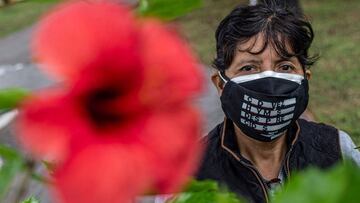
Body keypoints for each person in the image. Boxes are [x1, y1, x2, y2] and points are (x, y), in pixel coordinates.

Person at [196, 1, 360, 203]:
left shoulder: (337, 150)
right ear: (221, 85)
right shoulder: (193, 172)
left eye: (285, 67)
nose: (270, 82)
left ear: (305, 79)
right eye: (249, 68)